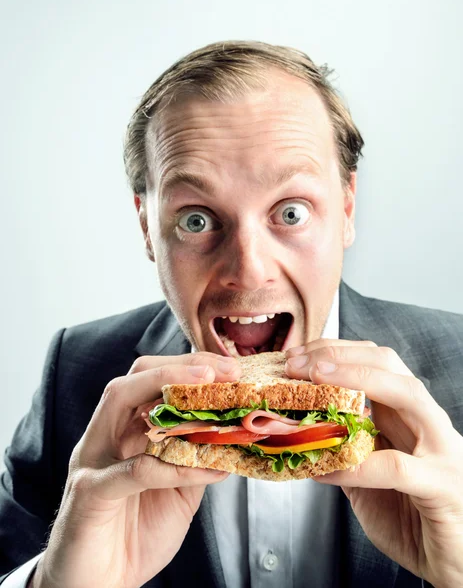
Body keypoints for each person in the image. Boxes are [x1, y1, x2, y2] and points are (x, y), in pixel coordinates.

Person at [0, 40, 462, 588]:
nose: (248, 270)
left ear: (345, 209)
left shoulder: (457, 365)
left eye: (290, 212)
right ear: (148, 226)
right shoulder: (75, 373)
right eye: (197, 220)